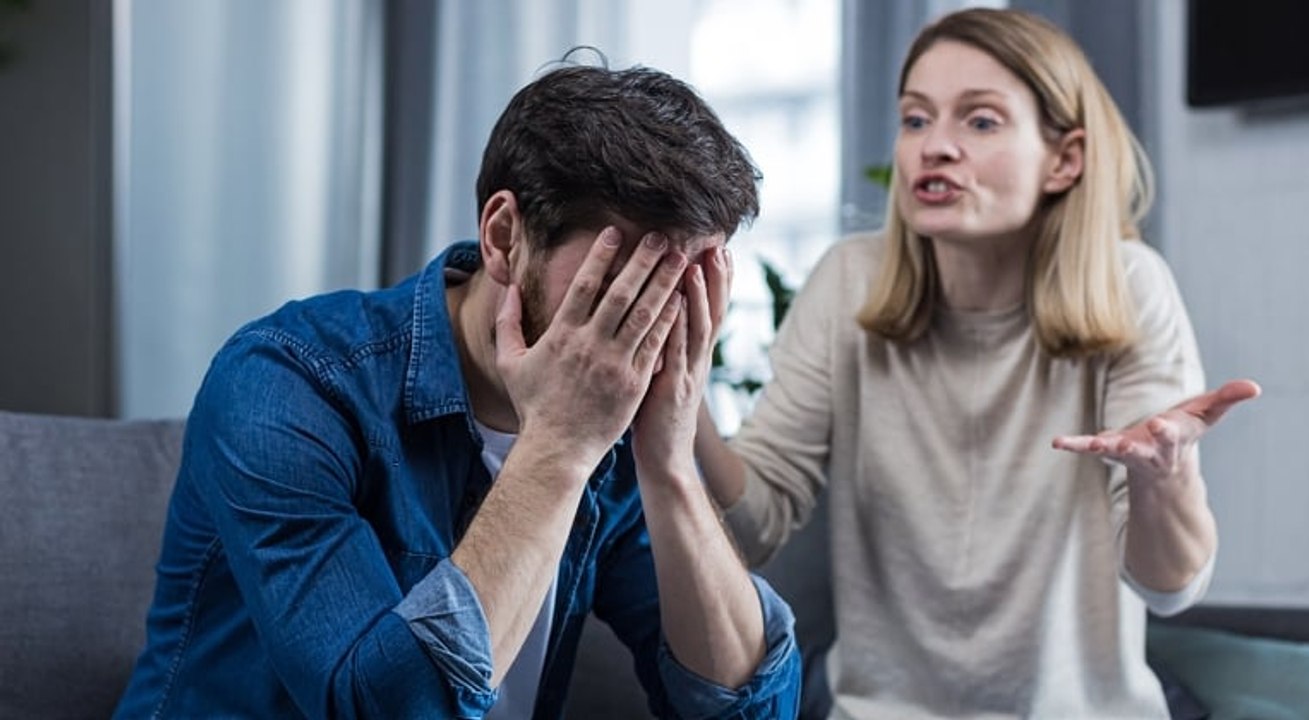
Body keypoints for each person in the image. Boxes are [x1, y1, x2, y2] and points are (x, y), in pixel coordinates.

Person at [115, 61, 801, 719]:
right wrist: (559, 445)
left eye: (685, 283)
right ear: (504, 236)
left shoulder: (619, 419)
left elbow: (753, 711)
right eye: (622, 280)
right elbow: (392, 708)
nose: (648, 319)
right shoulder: (287, 380)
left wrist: (670, 463)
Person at [694, 8, 1260, 719]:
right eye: (915, 120)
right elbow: (753, 525)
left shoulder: (1129, 285)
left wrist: (1162, 478)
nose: (936, 147)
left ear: (1065, 159)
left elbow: (1169, 587)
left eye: (980, 122)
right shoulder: (847, 283)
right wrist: (685, 409)